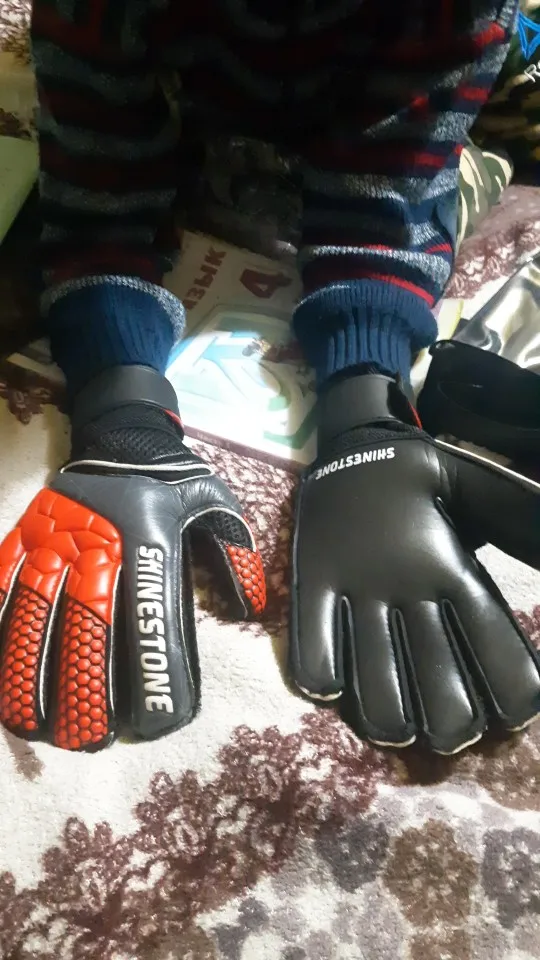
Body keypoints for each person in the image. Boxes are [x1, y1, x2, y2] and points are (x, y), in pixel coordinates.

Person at [0, 0, 539, 754]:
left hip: (393, 67)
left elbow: (389, 207)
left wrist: (367, 407)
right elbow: (100, 209)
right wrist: (120, 413)